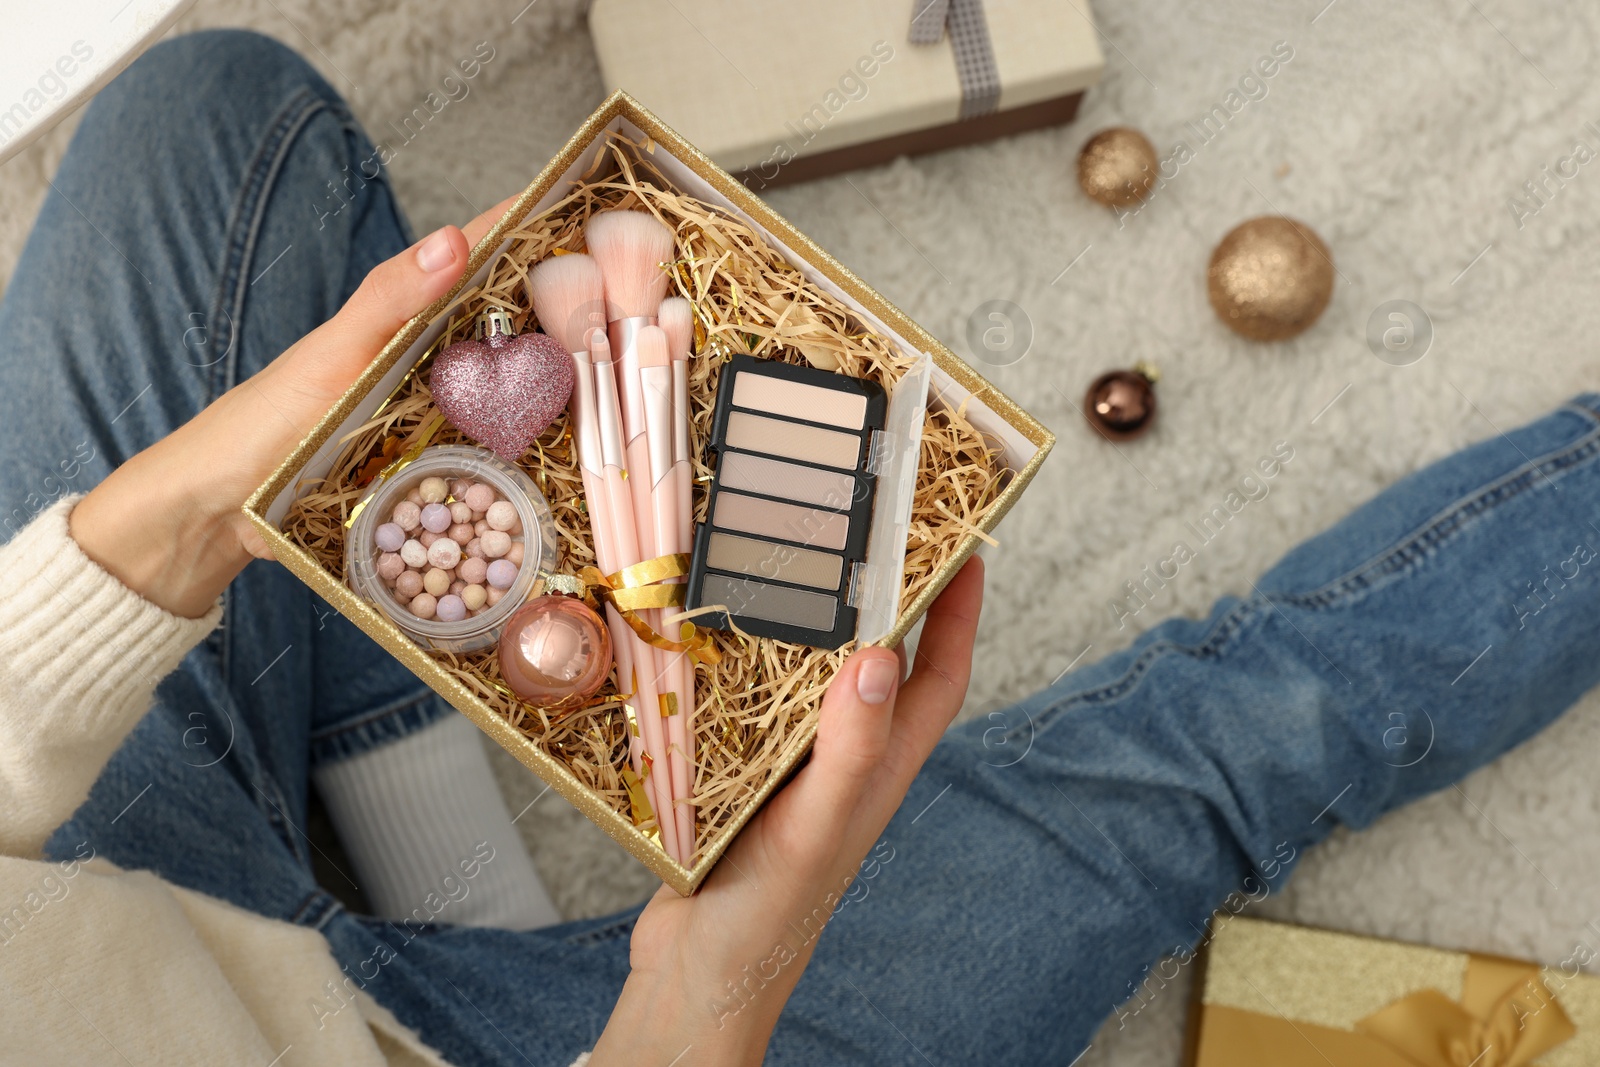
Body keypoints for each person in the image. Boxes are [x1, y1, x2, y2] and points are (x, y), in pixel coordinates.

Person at [3, 29, 1598, 1067]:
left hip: (103, 866)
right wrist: (716, 992)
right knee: (1210, 759)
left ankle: (427, 803)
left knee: (208, 120)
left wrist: (179, 522)